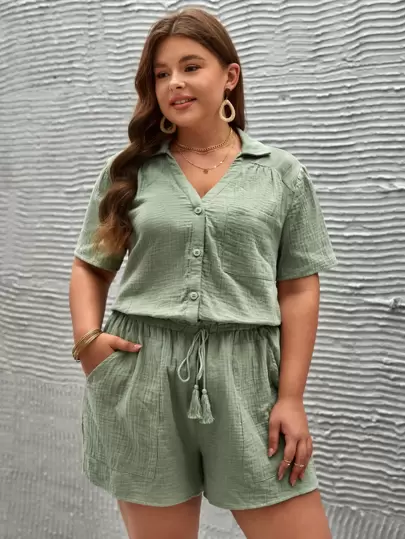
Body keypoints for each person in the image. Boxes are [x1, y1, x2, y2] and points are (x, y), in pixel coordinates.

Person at [69, 7, 337, 539]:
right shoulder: (130, 171)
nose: (174, 82)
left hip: (249, 379)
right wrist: (88, 343)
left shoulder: (281, 174)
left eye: (190, 67)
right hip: (142, 376)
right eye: (161, 73)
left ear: (229, 76)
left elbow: (299, 288)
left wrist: (290, 397)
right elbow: (89, 265)